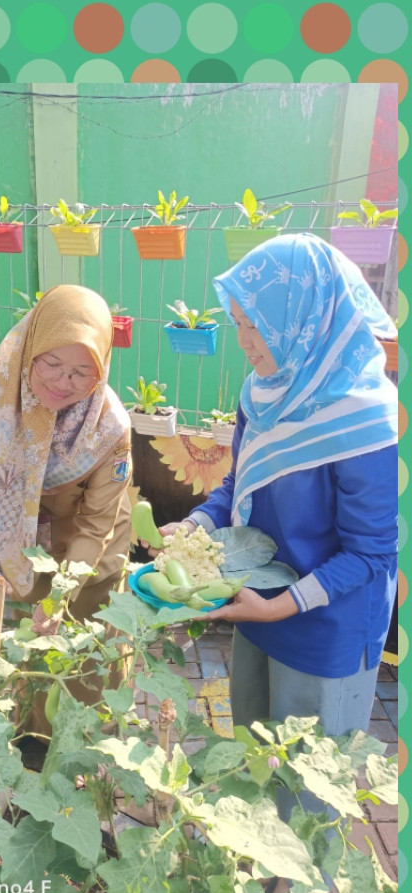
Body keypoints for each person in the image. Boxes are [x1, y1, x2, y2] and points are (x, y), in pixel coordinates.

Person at [160, 231, 398, 770]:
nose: (245, 341)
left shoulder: (367, 421)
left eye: (258, 327)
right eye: (240, 323)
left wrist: (277, 607)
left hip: (325, 632)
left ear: (305, 324)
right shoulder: (265, 392)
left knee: (306, 787)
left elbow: (371, 555)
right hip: (259, 608)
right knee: (255, 766)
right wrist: (196, 526)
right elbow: (237, 485)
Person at [0, 284, 134, 719]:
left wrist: (63, 596)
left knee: (86, 671)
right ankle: (27, 751)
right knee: (23, 666)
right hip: (20, 550)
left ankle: (82, 761)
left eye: (81, 372)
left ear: (102, 369)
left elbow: (96, 526)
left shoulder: (109, 428)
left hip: (89, 563)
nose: (63, 382)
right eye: (52, 363)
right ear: (31, 348)